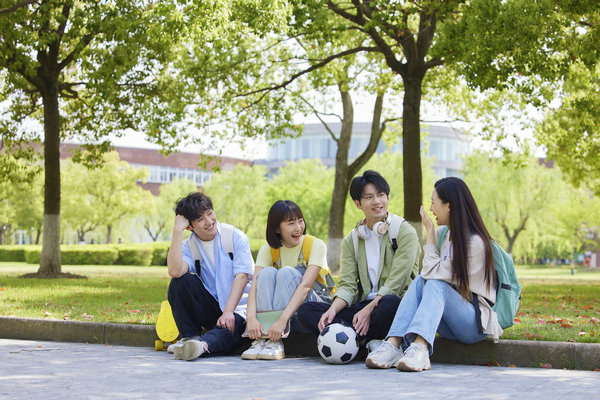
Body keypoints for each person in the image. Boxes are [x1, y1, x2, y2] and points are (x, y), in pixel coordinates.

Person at [365, 177, 503, 372]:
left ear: (449, 205)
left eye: (433, 202)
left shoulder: (475, 243)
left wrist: (429, 231)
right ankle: (393, 343)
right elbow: (427, 274)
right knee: (422, 281)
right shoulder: (445, 234)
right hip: (447, 321)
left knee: (432, 282)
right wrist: (434, 233)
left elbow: (431, 273)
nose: (431, 208)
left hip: (473, 324)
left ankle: (420, 349)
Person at [297, 170, 420, 346]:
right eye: (369, 197)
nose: (377, 201)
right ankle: (362, 341)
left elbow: (396, 283)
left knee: (389, 304)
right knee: (307, 310)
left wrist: (369, 311)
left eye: (381, 195)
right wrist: (332, 310)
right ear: (358, 203)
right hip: (362, 307)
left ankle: (355, 339)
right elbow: (347, 285)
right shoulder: (352, 240)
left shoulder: (403, 231)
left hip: (393, 304)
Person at [166, 192, 254, 361]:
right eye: (200, 219)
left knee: (230, 326)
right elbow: (175, 271)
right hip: (214, 309)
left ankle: (200, 347)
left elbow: (242, 276)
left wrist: (228, 311)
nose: (209, 221)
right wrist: (177, 231)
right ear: (189, 226)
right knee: (181, 281)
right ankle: (190, 338)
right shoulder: (189, 246)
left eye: (210, 213)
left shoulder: (234, 236)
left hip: (239, 309)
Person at [242, 200, 332, 360]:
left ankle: (276, 341)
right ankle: (263, 339)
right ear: (277, 228)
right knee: (266, 273)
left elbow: (305, 287)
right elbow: (255, 285)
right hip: (285, 314)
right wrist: (251, 319)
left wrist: (281, 321)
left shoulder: (315, 245)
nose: (298, 228)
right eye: (291, 223)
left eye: (300, 221)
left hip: (310, 310)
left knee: (286, 273)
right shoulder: (269, 249)